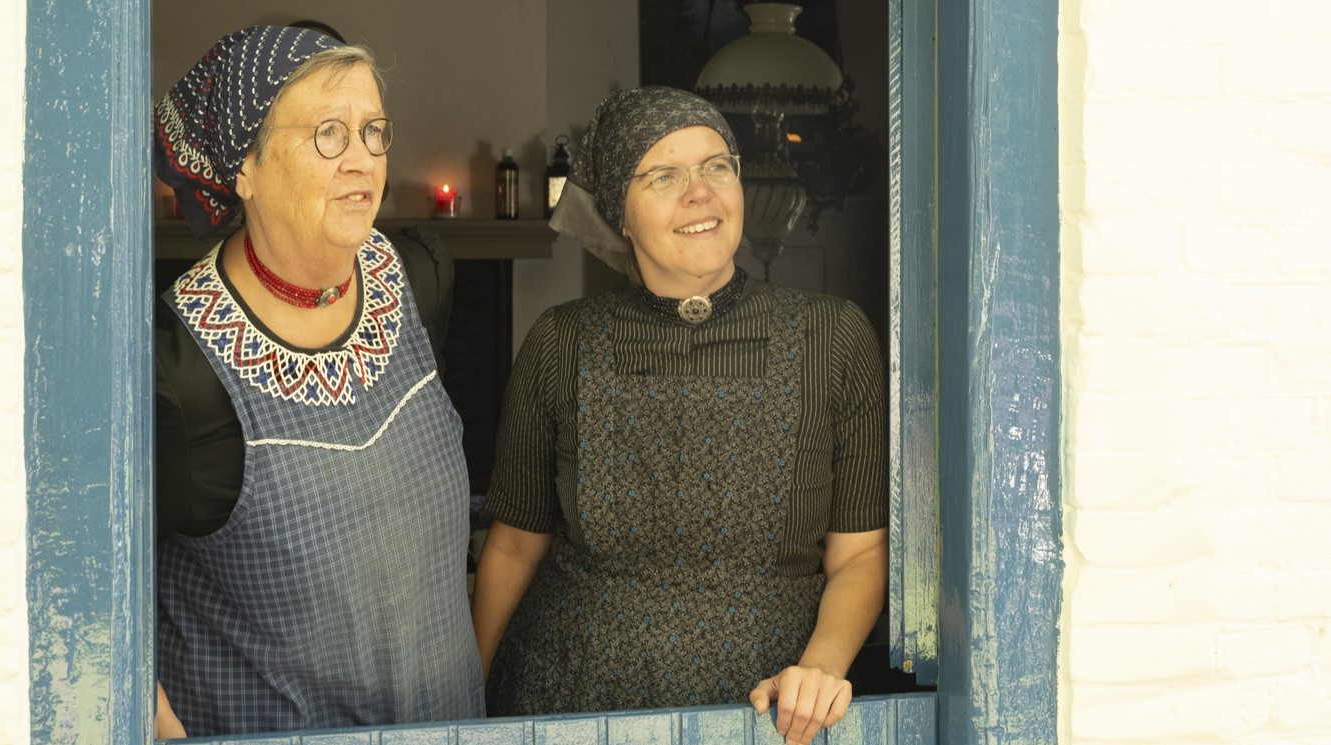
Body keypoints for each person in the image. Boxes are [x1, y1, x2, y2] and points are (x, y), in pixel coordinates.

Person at [471, 86, 888, 745]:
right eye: (664, 176)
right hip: (572, 701)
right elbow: (514, 546)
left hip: (771, 713)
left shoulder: (833, 338)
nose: (700, 193)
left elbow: (860, 552)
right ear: (620, 215)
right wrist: (468, 708)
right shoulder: (561, 341)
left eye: (716, 166)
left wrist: (820, 667)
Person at [152, 26, 482, 737]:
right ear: (245, 166)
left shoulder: (418, 277)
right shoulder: (179, 371)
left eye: (373, 131)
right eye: (327, 134)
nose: (362, 159)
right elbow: (91, 568)